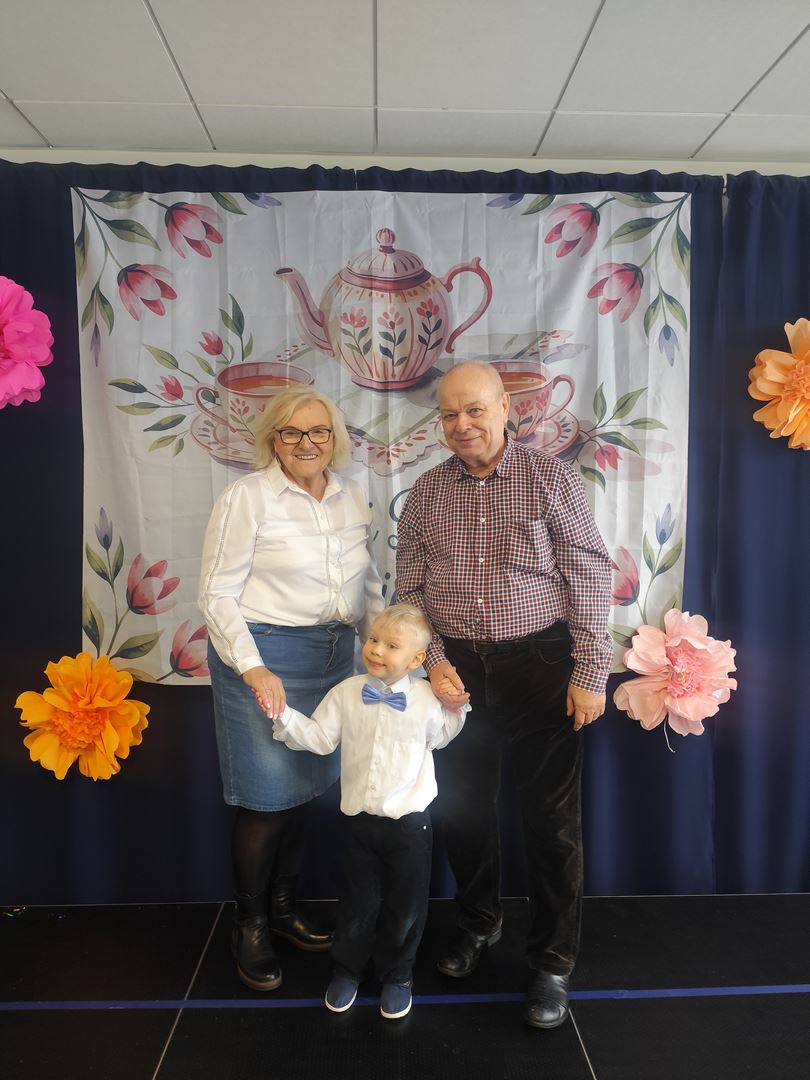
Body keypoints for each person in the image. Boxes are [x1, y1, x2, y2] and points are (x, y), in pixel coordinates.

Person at [395, 361, 612, 1030]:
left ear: (505, 408)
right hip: (457, 674)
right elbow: (409, 592)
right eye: (449, 414)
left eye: (475, 410)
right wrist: (433, 662)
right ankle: (478, 922)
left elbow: (590, 575)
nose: (462, 425)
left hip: (542, 666)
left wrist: (591, 671)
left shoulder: (552, 479)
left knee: (551, 824)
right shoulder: (426, 491)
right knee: (464, 813)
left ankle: (552, 960)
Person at [198, 387, 384, 992]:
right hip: (263, 655)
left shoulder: (351, 495)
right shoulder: (247, 497)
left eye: (319, 431)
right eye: (292, 432)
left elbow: (367, 582)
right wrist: (253, 668)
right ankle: (249, 926)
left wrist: (383, 650)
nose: (307, 443)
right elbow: (217, 594)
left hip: (333, 656)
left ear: (335, 438)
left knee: (302, 791)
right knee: (265, 798)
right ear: (273, 440)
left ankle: (283, 910)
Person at [270, 603, 467, 1020]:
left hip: (410, 824)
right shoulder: (346, 693)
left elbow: (441, 738)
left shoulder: (427, 699)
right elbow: (321, 739)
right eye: (374, 639)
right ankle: (347, 970)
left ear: (416, 659)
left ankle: (398, 975)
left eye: (392, 645)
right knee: (356, 902)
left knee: (405, 905)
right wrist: (283, 715)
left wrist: (454, 706)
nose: (377, 649)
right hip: (357, 821)